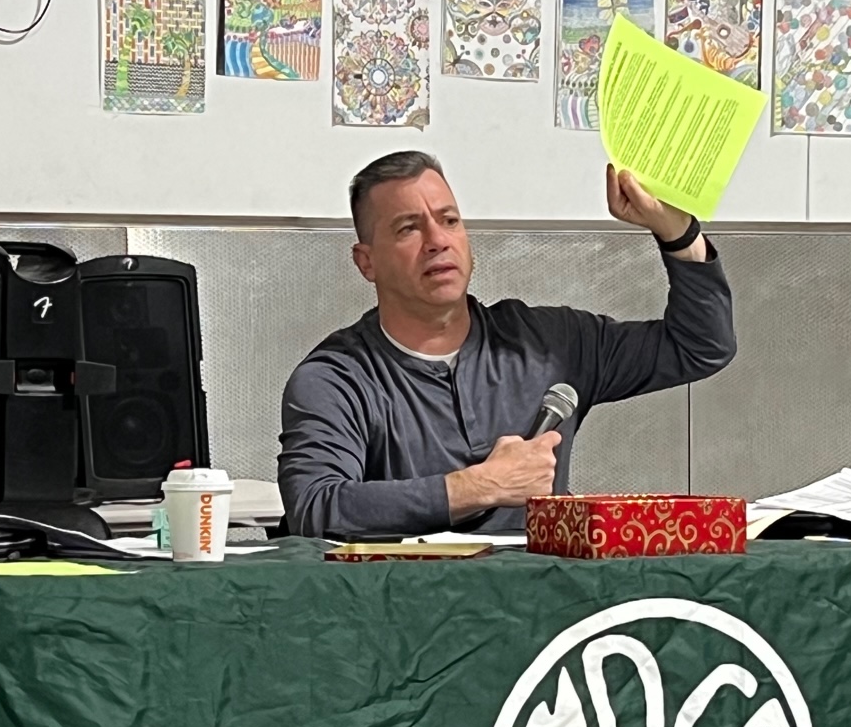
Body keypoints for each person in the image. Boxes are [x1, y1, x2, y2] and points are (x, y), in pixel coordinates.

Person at [277, 150, 737, 540]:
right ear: (367, 262)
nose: (437, 241)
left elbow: (700, 345)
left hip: (544, 602)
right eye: (408, 229)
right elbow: (315, 507)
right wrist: (478, 487)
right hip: (404, 605)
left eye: (449, 220)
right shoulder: (336, 378)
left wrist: (678, 233)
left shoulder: (549, 342)